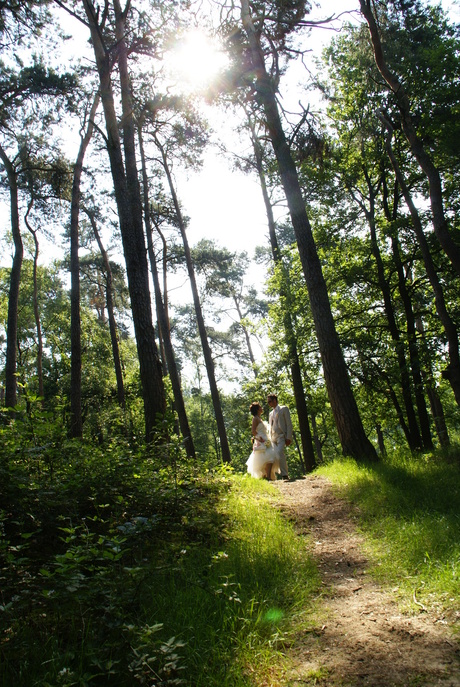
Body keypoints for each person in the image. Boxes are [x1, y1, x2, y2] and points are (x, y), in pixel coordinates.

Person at [246, 402, 280, 480]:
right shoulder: (255, 419)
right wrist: (259, 438)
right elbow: (253, 431)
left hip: (266, 439)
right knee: (267, 457)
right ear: (257, 409)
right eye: (260, 407)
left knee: (270, 457)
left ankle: (267, 476)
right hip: (261, 440)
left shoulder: (259, 418)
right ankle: (267, 476)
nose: (262, 408)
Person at [267, 393, 293, 480]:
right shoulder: (270, 413)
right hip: (273, 437)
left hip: (281, 435)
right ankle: (271, 476)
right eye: (268, 402)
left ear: (275, 400)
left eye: (270, 401)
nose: (269, 404)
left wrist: (289, 437)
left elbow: (289, 424)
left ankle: (284, 474)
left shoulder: (284, 409)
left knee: (279, 452)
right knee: (273, 455)